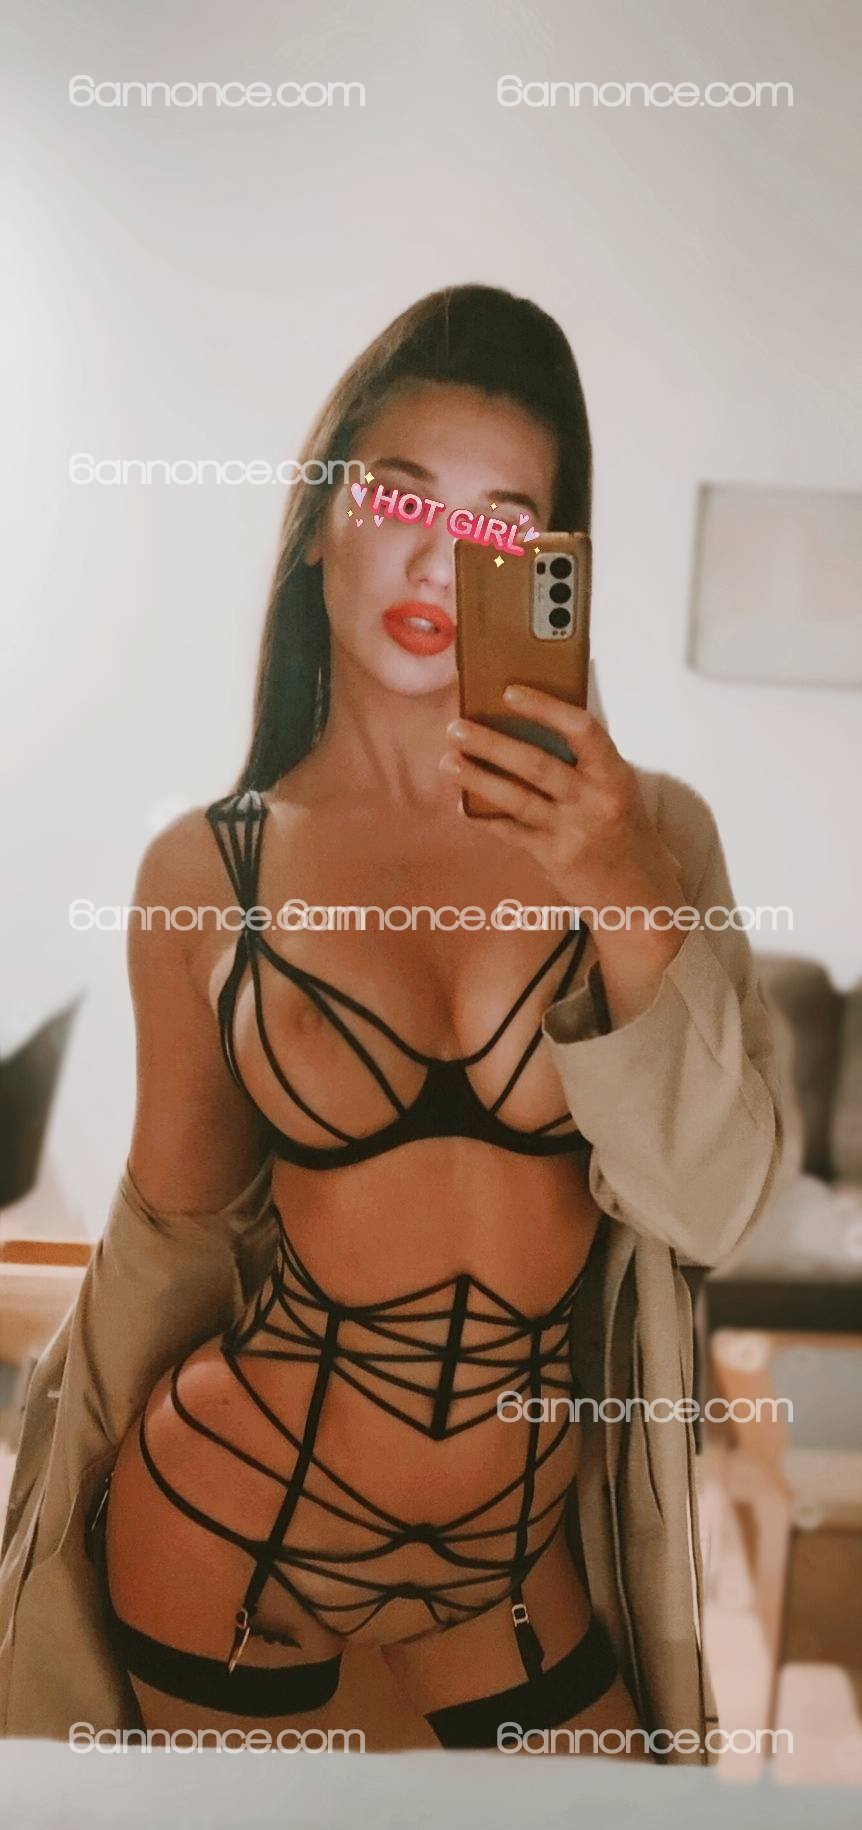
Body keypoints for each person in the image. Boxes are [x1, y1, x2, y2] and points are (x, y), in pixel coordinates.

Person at [0, 286, 784, 1757]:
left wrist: (618, 882)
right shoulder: (208, 872)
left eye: (502, 521)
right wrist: (50, 1510)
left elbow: (714, 1201)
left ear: (552, 568)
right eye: (403, 496)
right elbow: (172, 1240)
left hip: (511, 1560)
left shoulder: (647, 834)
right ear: (319, 522)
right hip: (235, 1512)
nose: (441, 556)